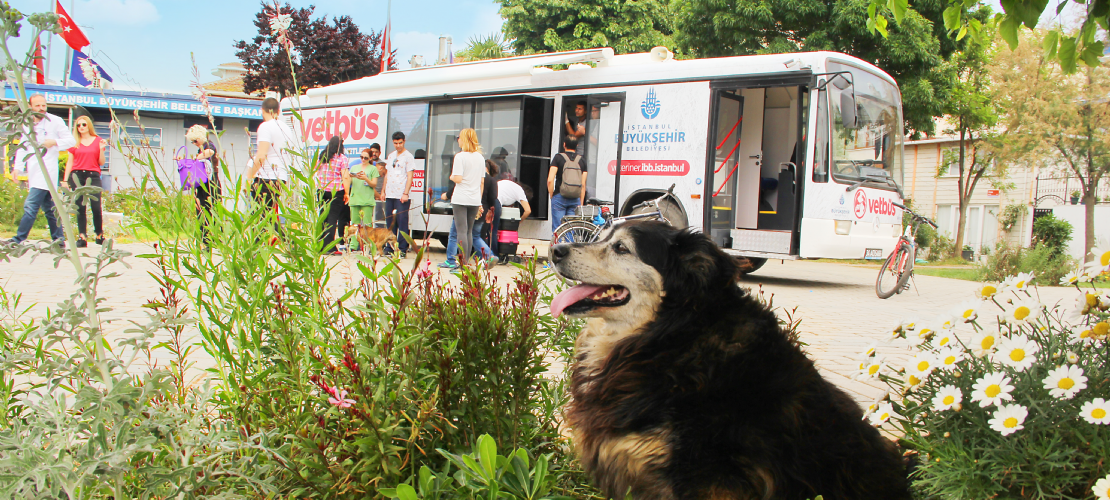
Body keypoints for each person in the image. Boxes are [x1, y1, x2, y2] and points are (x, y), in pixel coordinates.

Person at [6, 94, 77, 247]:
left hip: (48, 171)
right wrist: (17, 168)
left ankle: (18, 239)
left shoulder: (55, 121)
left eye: (43, 105)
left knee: (31, 206)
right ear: (30, 107)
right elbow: (23, 147)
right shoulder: (27, 123)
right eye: (37, 106)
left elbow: (71, 141)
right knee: (50, 209)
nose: (41, 109)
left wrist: (54, 142)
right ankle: (59, 241)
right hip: (34, 170)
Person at [245, 97, 296, 235]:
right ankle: (285, 242)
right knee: (268, 214)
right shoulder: (285, 127)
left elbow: (261, 155)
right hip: (281, 176)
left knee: (260, 215)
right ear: (278, 111)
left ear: (262, 110)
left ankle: (259, 247)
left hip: (266, 176)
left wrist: (250, 176)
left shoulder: (265, 126)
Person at [438, 154, 496, 270]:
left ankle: (452, 260)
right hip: (480, 209)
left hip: (464, 205)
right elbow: (493, 197)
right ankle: (489, 255)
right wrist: (488, 209)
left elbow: (456, 187)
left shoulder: (467, 174)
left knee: (456, 234)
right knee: (473, 235)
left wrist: (447, 193)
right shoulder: (491, 180)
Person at [63, 115, 106, 247]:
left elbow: (101, 162)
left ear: (88, 125)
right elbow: (70, 162)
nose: (81, 127)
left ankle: (99, 234)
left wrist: (101, 149)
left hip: (93, 175)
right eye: (78, 125)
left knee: (96, 206)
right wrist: (65, 180)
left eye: (83, 124)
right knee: (80, 206)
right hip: (77, 175)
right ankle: (82, 237)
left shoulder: (98, 141)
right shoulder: (74, 142)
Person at [448, 128, 485, 266]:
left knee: (461, 231)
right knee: (469, 230)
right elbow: (482, 182)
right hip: (474, 199)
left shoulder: (460, 156)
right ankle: (467, 261)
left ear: (464, 139)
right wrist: (479, 200)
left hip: (460, 198)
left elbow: (457, 178)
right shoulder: (480, 158)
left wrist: (451, 176)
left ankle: (462, 262)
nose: (458, 140)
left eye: (459, 137)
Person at [183, 124, 220, 247]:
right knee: (202, 210)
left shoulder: (208, 145)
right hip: (203, 182)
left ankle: (208, 239)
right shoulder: (201, 148)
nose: (194, 143)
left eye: (195, 140)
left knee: (208, 210)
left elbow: (210, 151)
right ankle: (205, 238)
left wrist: (197, 158)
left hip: (210, 183)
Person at [383, 131, 417, 257]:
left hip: (401, 194)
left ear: (404, 141)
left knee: (402, 221)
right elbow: (387, 173)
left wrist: (405, 193)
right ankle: (390, 246)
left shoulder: (408, 157)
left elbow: (410, 176)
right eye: (396, 143)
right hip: (390, 193)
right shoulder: (391, 155)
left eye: (400, 143)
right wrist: (383, 191)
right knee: (390, 222)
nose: (398, 145)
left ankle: (402, 248)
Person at [316, 135, 350, 254]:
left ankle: (319, 245)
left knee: (322, 217)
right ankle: (329, 247)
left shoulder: (322, 156)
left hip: (321, 189)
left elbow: (314, 170)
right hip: (335, 191)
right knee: (332, 218)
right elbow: (345, 176)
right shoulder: (341, 158)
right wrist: (347, 192)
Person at [548, 135, 587, 234]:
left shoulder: (558, 158)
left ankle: (557, 248)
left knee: (558, 229)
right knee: (571, 229)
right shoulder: (582, 161)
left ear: (564, 145)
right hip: (575, 198)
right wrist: (581, 203)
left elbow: (550, 180)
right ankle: (568, 249)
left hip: (559, 196)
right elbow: (583, 184)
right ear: (577, 145)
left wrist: (552, 194)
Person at [494, 176, 531, 264]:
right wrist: (520, 220)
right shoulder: (520, 191)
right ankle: (494, 255)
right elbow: (528, 210)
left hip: (489, 198)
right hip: (496, 201)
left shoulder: (510, 185)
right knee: (493, 232)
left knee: (489, 230)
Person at [345, 146, 380, 235]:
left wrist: (366, 179)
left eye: (366, 158)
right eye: (361, 157)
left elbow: (374, 184)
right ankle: (353, 245)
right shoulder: (354, 167)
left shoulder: (373, 168)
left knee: (367, 225)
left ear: (371, 158)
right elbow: (348, 181)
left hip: (367, 199)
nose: (363, 159)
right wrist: (349, 176)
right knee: (354, 224)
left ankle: (367, 245)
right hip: (355, 198)